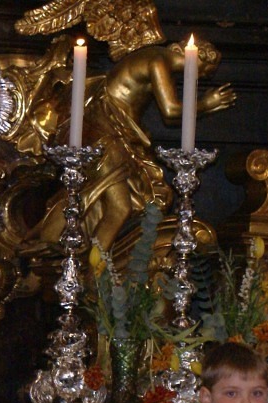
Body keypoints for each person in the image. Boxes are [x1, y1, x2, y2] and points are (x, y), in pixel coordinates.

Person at [37, 39, 236, 250]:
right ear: (183, 53)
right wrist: (207, 103)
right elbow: (170, 110)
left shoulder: (155, 57)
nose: (201, 77)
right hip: (106, 132)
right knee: (119, 207)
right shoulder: (158, 60)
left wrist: (207, 107)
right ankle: (91, 267)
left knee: (125, 197)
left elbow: (170, 119)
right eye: (202, 70)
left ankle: (72, 250)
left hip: (118, 133)